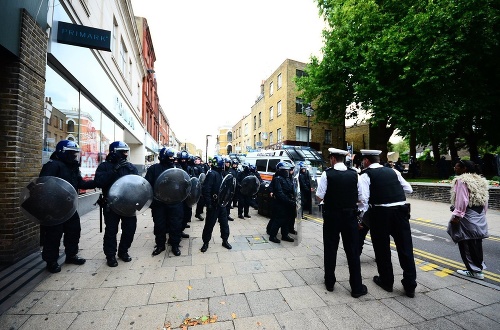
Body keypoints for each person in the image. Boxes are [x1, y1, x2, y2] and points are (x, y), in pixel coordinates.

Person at [358, 149, 416, 298]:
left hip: (380, 214)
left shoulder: (365, 175)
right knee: (405, 247)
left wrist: (360, 218)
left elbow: (363, 200)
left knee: (382, 249)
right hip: (401, 212)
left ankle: (386, 281)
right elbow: (409, 189)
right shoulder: (394, 172)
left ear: (366, 161)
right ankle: (410, 285)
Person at [315, 148, 367, 297]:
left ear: (332, 159)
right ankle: (356, 287)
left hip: (331, 216)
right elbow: (361, 198)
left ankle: (330, 282)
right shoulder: (354, 174)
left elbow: (319, 197)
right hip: (349, 217)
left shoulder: (327, 174)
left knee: (330, 249)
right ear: (343, 159)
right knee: (352, 251)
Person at [39, 140, 96, 273]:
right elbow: (44, 185)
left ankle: (71, 255)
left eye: (75, 153)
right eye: (71, 153)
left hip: (69, 207)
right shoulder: (53, 166)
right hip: (55, 208)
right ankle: (51, 261)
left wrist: (97, 182)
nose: (74, 156)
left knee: (74, 231)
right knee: (54, 234)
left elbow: (80, 183)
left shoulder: (72, 167)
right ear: (63, 152)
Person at [94, 141, 138, 267]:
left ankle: (123, 251)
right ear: (115, 152)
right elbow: (99, 182)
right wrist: (114, 170)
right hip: (111, 204)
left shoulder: (129, 166)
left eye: (126, 152)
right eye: (122, 152)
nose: (125, 154)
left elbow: (137, 183)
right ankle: (110, 255)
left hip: (128, 204)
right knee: (111, 231)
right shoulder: (105, 166)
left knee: (130, 229)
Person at [447, 160, 489, 280]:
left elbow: (462, 199)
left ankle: (474, 270)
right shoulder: (480, 180)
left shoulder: (461, 180)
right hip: (479, 214)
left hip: (467, 215)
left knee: (466, 242)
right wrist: (482, 214)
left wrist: (457, 215)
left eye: (456, 166)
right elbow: (485, 199)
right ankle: (478, 267)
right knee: (476, 242)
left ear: (464, 168)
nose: (455, 168)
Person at [145, 148, 183, 257]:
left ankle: (175, 245)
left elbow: (183, 184)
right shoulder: (154, 169)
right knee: (159, 225)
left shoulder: (177, 168)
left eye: (173, 157)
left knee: (175, 224)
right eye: (169, 157)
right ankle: (160, 245)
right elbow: (147, 185)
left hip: (175, 202)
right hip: (159, 202)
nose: (172, 159)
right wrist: (151, 202)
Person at [200, 156, 232, 252]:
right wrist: (209, 203)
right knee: (209, 225)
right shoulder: (211, 174)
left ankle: (225, 240)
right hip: (213, 204)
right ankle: (205, 242)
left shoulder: (222, 173)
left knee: (224, 224)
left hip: (221, 204)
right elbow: (206, 190)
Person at [267, 162, 295, 244]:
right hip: (280, 203)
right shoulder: (277, 179)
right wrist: (289, 201)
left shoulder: (287, 179)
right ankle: (272, 236)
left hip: (287, 203)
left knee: (286, 219)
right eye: (286, 170)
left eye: (288, 170)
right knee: (278, 220)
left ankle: (285, 235)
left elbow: (291, 189)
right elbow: (279, 193)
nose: (287, 172)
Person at [177, 150, 192, 236]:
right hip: (178, 195)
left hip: (187, 194)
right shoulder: (175, 168)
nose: (183, 161)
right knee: (178, 215)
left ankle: (181, 230)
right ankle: (176, 233)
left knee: (187, 214)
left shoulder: (189, 168)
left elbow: (193, 178)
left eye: (185, 159)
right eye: (182, 159)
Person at [193, 156, 206, 221]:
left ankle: (199, 212)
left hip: (201, 185)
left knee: (201, 199)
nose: (197, 160)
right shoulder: (194, 166)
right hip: (195, 184)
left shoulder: (202, 166)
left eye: (198, 159)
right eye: (196, 159)